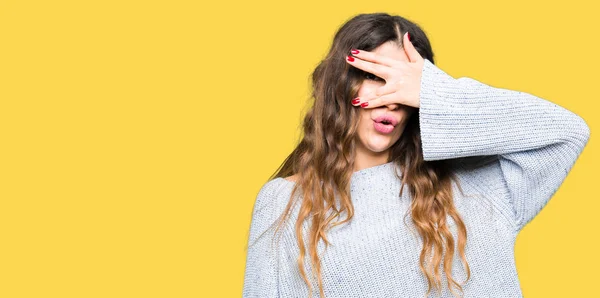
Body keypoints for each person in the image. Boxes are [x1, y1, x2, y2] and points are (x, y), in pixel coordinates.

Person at [242, 12, 590, 298]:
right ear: (340, 84)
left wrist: (437, 92)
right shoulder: (285, 203)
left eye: (403, 84)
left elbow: (567, 133)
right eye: (375, 76)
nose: (391, 98)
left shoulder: (478, 187)